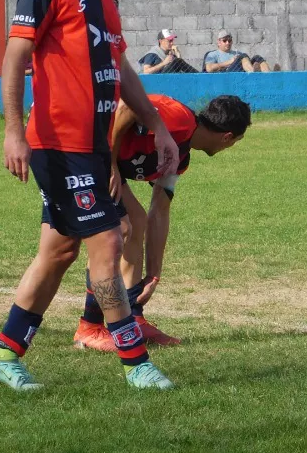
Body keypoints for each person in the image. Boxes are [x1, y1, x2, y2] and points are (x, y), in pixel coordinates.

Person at [0, 0, 181, 393]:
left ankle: (4, 353)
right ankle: (136, 363)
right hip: (56, 144)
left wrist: (156, 124)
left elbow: (120, 66)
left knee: (57, 252)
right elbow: (13, 61)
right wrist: (11, 131)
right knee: (108, 241)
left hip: (92, 146)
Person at [73, 94, 252, 351]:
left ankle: (133, 317)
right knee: (119, 230)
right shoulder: (179, 119)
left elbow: (159, 211)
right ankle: (88, 327)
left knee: (136, 221)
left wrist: (154, 274)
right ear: (227, 136)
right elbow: (126, 106)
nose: (231, 146)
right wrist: (111, 163)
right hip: (84, 151)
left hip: (102, 162)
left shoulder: (181, 155)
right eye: (236, 141)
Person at [203, 30, 277, 72]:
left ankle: (269, 76)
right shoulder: (212, 54)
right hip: (227, 74)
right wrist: (230, 62)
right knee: (242, 56)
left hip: (241, 71)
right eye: (224, 40)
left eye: (229, 40)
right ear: (218, 42)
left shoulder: (237, 53)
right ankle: (253, 74)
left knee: (257, 58)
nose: (227, 43)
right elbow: (209, 68)